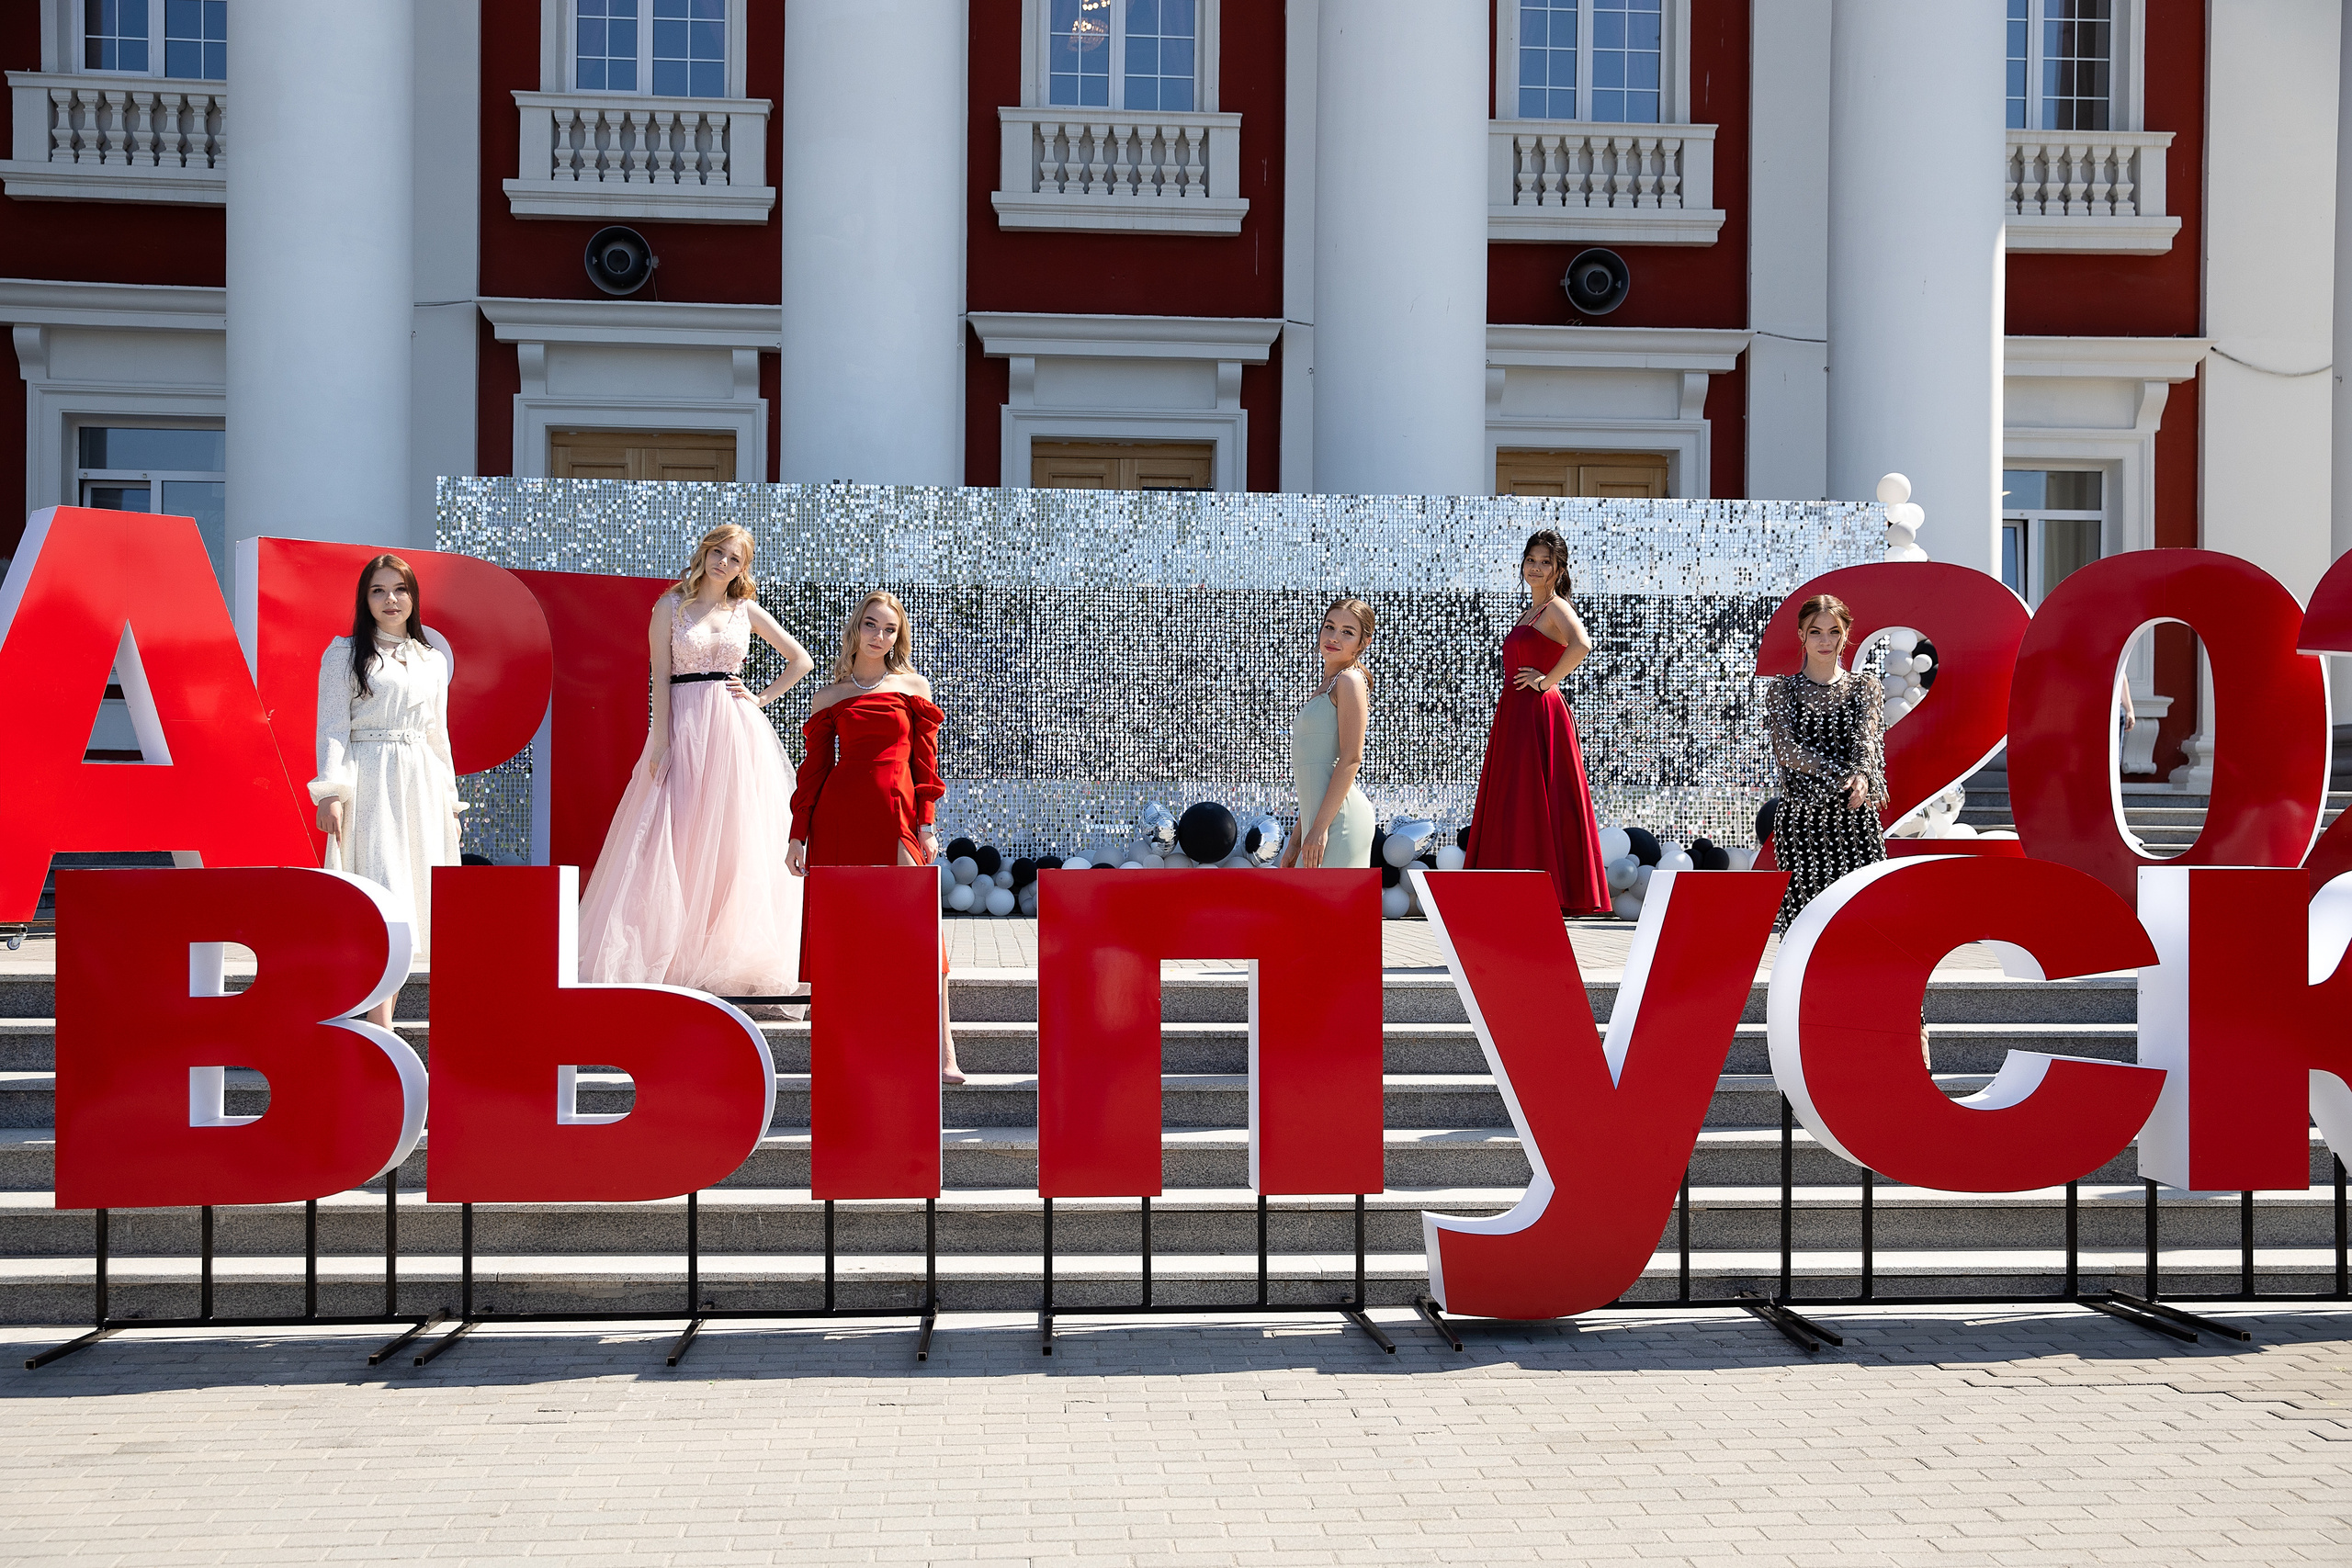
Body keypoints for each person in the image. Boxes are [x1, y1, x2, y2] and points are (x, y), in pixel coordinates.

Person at [576, 525, 815, 1000]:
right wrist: (660, 741)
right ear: (704, 553)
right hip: (683, 726)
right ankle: (670, 952)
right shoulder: (669, 607)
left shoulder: (744, 609)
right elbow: (660, 678)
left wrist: (761, 697)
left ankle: (721, 953)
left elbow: (800, 659)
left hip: (733, 731)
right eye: (718, 552)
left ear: (743, 568)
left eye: (735, 558)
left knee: (731, 839)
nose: (724, 563)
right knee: (676, 832)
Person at [786, 591, 965, 1084]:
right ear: (856, 628)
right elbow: (813, 773)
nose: (879, 636)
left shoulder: (913, 687)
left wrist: (927, 823)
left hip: (897, 815)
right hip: (839, 821)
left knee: (921, 931)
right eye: (871, 625)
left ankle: (944, 1050)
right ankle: (847, 1053)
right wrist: (798, 836)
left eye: (889, 629)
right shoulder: (830, 696)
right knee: (843, 936)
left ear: (898, 636)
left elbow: (925, 766)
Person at [312, 554, 464, 1029]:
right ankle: (379, 1026)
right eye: (378, 590)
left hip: (421, 786)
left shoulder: (432, 660)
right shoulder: (344, 654)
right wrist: (330, 791)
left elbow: (438, 736)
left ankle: (381, 1024)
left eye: (399, 589)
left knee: (412, 902)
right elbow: (332, 727)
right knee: (381, 895)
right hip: (369, 782)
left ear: (413, 597)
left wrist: (450, 803)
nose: (390, 599)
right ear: (365, 599)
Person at [1463, 528, 1611, 913]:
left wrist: (1546, 682)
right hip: (1515, 715)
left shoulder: (1556, 607)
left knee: (1536, 799)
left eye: (1546, 562)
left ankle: (1545, 892)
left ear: (1559, 569)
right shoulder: (1532, 611)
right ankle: (1513, 891)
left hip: (1537, 714)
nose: (1536, 568)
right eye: (1531, 560)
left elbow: (1582, 644)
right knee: (1517, 800)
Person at [1762, 592, 1888, 932]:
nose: (1825, 641)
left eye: (1834, 632)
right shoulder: (1783, 691)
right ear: (1801, 635)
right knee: (1804, 928)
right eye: (1815, 632)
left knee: (1864, 921)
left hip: (1854, 819)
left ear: (1845, 635)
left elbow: (1867, 740)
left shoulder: (1865, 687)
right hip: (1801, 822)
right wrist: (1844, 775)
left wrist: (1864, 775)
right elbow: (1787, 751)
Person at [1281, 597, 1375, 869]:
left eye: (1347, 632)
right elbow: (1315, 779)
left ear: (1363, 643)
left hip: (1339, 824)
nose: (1334, 637)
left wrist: (1319, 829)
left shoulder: (1349, 681)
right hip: (1317, 825)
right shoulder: (1325, 687)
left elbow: (1351, 758)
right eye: (1329, 627)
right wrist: (1296, 841)